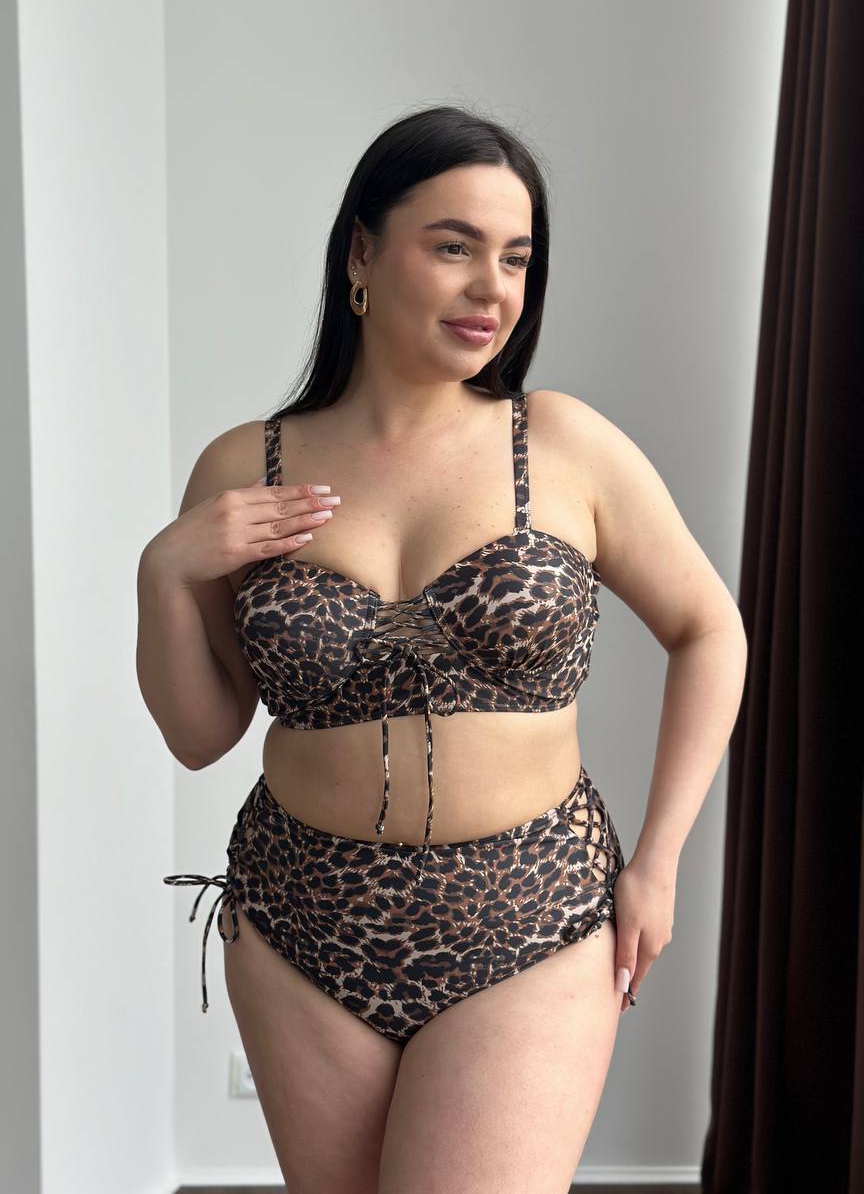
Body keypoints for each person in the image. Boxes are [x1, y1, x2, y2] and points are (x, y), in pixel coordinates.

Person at [138, 105, 748, 1194]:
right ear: (361, 254)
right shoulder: (245, 465)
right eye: (455, 246)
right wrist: (166, 571)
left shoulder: (562, 443)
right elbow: (201, 734)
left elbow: (710, 629)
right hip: (299, 922)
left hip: (532, 913)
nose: (492, 289)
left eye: (515, 257)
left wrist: (658, 861)